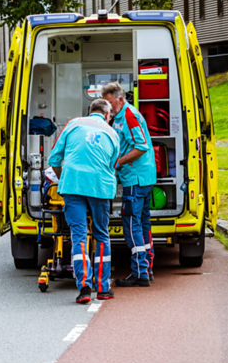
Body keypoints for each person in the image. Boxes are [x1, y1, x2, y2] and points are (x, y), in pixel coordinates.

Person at [47, 99, 121, 304]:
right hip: (100, 187)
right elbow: (113, 164)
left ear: (90, 112)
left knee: (78, 235)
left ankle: (84, 288)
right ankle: (103, 288)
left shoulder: (73, 124)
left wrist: (65, 179)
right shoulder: (112, 133)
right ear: (107, 115)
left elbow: (54, 160)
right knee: (101, 235)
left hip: (73, 185)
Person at [102, 82, 157, 287]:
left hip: (136, 178)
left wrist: (117, 163)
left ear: (120, 98)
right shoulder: (121, 115)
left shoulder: (129, 115)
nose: (108, 108)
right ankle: (147, 268)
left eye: (109, 103)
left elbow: (141, 146)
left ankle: (140, 272)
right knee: (143, 224)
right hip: (141, 177)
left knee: (132, 225)